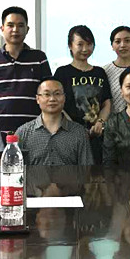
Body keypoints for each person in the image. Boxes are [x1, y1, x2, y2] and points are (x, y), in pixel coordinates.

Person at [0, 6, 51, 139]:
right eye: (10, 25)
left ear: (27, 29)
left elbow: (48, 92)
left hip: (34, 131)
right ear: (2, 28)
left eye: (20, 25)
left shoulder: (39, 58)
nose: (15, 30)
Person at [53, 25, 111, 163]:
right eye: (80, 44)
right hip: (69, 135)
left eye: (89, 44)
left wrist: (100, 122)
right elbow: (57, 104)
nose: (85, 49)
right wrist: (75, 129)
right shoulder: (62, 72)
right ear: (70, 46)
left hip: (97, 137)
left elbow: (107, 102)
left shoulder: (100, 73)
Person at [16, 78, 94, 168]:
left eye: (57, 94)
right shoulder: (23, 133)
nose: (52, 99)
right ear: (37, 99)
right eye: (47, 94)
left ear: (64, 98)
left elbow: (87, 171)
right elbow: (14, 170)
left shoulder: (79, 133)